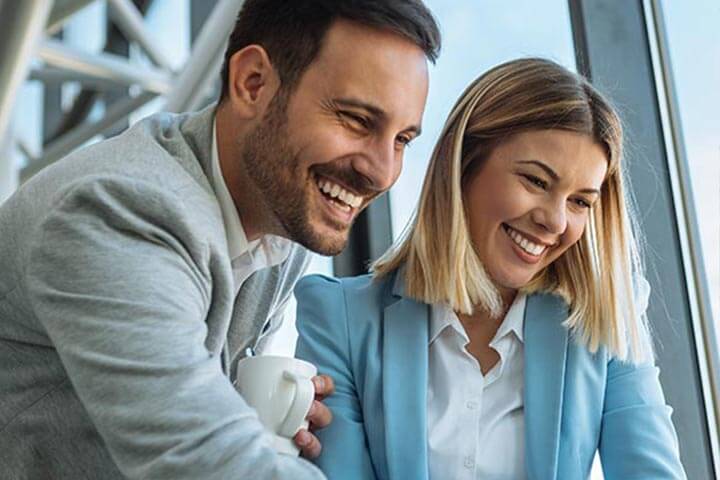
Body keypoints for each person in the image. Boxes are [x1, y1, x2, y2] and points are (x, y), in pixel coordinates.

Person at [0, 1, 440, 478]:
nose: (381, 171)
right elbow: (213, 463)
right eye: (356, 119)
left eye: (402, 140)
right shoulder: (119, 212)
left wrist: (253, 414)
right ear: (253, 83)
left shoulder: (278, 218)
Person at [295, 58, 687, 479]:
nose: (555, 222)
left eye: (580, 202)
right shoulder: (338, 318)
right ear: (463, 166)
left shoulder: (604, 321)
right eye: (536, 181)